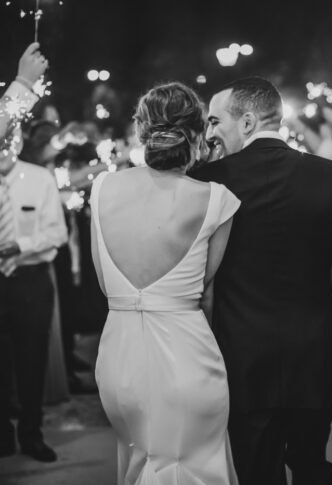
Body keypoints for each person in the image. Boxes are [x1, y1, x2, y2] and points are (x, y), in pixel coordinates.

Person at [191, 77, 332, 485]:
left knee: (256, 472)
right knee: (313, 466)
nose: (210, 132)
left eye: (217, 121)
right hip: (316, 354)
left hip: (241, 358)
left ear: (249, 121)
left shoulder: (209, 181)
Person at [91, 82, 240, 484]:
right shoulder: (214, 198)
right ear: (197, 133)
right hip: (185, 356)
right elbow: (204, 289)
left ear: (141, 129)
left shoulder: (102, 188)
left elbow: (107, 283)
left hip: (117, 360)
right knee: (193, 469)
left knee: (138, 463)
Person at [0, 120, 67, 462]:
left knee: (32, 360)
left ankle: (31, 433)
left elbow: (58, 234)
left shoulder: (39, 178)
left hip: (30, 280)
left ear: (16, 139)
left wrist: (20, 245)